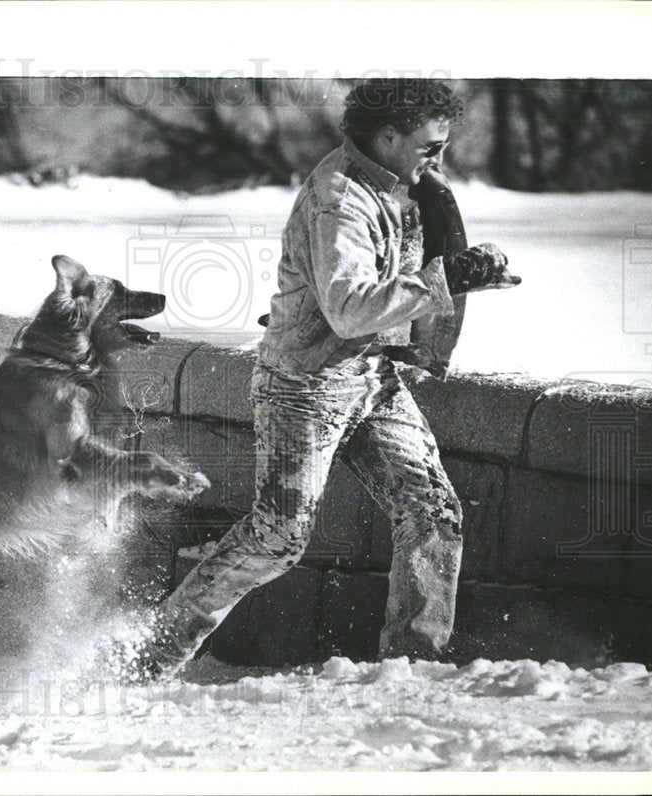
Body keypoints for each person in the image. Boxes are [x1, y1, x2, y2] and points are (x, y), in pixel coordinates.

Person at [135, 78, 521, 679]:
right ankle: (146, 657)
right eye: (428, 145)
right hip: (304, 387)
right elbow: (349, 308)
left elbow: (401, 283)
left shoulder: (406, 186)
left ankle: (411, 670)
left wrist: (463, 275)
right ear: (388, 136)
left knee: (433, 510)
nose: (438, 158)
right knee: (277, 538)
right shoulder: (338, 199)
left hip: (374, 376)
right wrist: (448, 277)